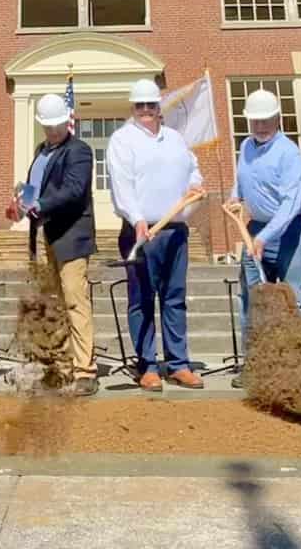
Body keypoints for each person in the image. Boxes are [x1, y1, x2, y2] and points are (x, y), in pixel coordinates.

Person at [106, 78, 206, 391]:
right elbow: (121, 185)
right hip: (141, 232)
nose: (146, 110)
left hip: (175, 231)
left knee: (174, 299)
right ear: (133, 108)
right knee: (142, 300)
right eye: (141, 105)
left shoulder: (176, 139)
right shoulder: (122, 140)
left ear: (159, 107)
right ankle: (147, 365)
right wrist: (136, 218)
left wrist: (195, 184)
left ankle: (178, 364)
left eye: (151, 104)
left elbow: (193, 169)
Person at [8, 93, 99, 395]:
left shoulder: (79, 151)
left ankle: (85, 370)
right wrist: (21, 205)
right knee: (52, 304)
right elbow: (34, 191)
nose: (52, 131)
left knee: (75, 300)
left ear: (67, 121)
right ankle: (61, 365)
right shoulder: (40, 151)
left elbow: (74, 190)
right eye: (47, 126)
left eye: (57, 125)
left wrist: (40, 205)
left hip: (71, 236)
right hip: (43, 236)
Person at [226, 88, 301, 387]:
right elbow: (241, 181)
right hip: (255, 229)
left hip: (289, 233)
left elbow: (290, 204)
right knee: (254, 300)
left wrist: (265, 237)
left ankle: (297, 368)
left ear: (277, 117)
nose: (260, 126)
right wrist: (234, 197)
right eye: (255, 121)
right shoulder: (247, 148)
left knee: (295, 300)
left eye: (265, 120)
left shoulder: (289, 154)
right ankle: (256, 365)